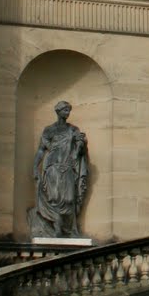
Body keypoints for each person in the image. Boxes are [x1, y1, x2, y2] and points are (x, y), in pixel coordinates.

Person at [29, 101, 89, 238]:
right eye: (65, 110)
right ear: (58, 111)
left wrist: (80, 143)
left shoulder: (73, 129)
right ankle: (56, 226)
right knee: (54, 197)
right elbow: (40, 150)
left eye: (69, 110)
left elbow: (80, 146)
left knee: (68, 198)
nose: (67, 113)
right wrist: (35, 168)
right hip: (52, 166)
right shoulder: (49, 130)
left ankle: (70, 229)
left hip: (67, 166)